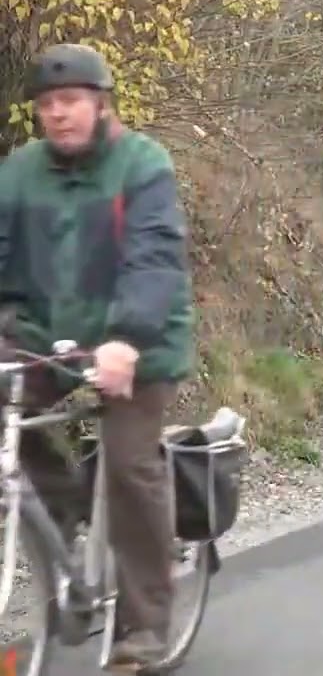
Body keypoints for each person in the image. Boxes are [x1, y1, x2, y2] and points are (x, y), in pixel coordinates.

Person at [0, 43, 194, 669]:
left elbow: (154, 258)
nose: (58, 114)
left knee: (128, 465)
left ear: (100, 104)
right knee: (16, 438)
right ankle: (58, 518)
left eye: (71, 101)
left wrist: (127, 338)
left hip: (135, 346)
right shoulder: (19, 171)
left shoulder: (142, 166)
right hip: (46, 343)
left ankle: (144, 624)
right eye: (48, 104)